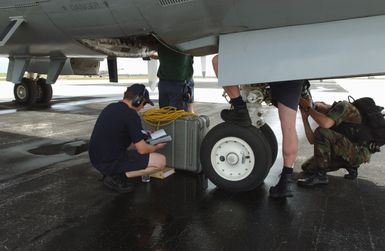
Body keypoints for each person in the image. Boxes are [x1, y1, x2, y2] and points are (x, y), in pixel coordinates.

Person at [212, 55, 305, 198]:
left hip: (272, 62)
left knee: (219, 61)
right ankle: (286, 180)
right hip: (295, 68)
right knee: (289, 128)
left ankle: (239, 108)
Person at [88, 84, 167, 193]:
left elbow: (121, 133)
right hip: (109, 162)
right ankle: (115, 177)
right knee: (160, 161)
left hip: (96, 159)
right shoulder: (131, 115)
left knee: (133, 145)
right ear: (137, 100)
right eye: (144, 103)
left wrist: (143, 133)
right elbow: (142, 150)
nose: (143, 107)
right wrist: (157, 146)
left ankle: (111, 173)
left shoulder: (110, 107)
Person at [297, 97, 372, 187]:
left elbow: (324, 124)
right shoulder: (331, 119)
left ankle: (321, 176)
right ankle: (349, 165)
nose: (317, 113)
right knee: (307, 167)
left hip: (359, 152)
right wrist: (305, 119)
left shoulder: (343, 106)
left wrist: (309, 108)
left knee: (321, 131)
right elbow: (312, 140)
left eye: (317, 107)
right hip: (347, 151)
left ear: (323, 102)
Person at [150, 43, 194, 112]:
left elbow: (152, 55)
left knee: (165, 114)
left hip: (164, 84)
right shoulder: (186, 43)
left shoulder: (161, 42)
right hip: (178, 84)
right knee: (179, 117)